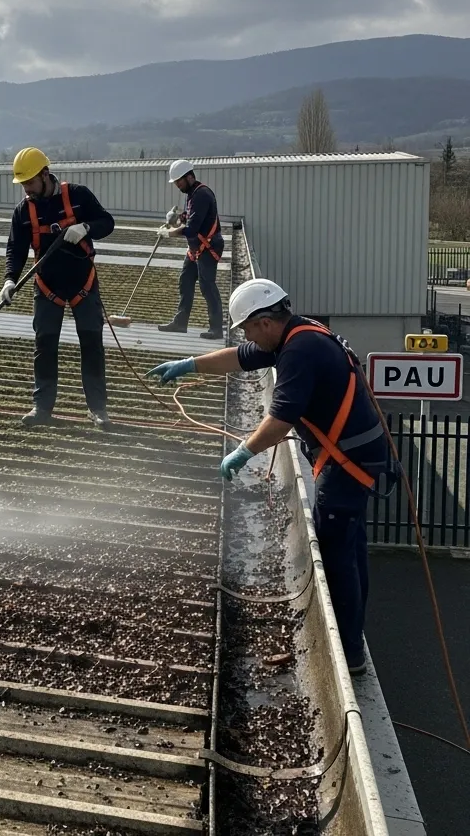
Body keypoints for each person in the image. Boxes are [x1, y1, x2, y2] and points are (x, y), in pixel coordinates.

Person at [146, 278, 398, 675]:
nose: (247, 336)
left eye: (247, 327)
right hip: (356, 454)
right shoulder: (298, 333)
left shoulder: (299, 351)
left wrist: (243, 452)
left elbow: (280, 420)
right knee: (350, 547)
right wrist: (190, 365)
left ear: (264, 322)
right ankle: (352, 641)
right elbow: (239, 357)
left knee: (337, 553)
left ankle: (350, 654)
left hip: (348, 463)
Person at [1, 147, 116, 429]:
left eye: (30, 182)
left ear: (44, 174)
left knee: (91, 345)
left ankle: (98, 409)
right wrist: (9, 279)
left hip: (83, 284)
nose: (26, 189)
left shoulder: (78, 196)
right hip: (46, 285)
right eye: (23, 184)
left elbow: (107, 222)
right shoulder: (23, 211)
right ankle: (42, 408)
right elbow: (15, 249)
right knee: (45, 345)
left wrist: (86, 227)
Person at [157, 159, 224, 340]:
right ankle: (180, 323)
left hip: (208, 247)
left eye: (179, 181)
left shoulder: (201, 195)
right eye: (176, 182)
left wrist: (169, 233)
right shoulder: (192, 194)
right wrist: (177, 218)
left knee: (207, 286)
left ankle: (216, 329)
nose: (178, 185)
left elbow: (192, 228)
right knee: (185, 281)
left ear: (189, 177)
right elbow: (188, 217)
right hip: (197, 247)